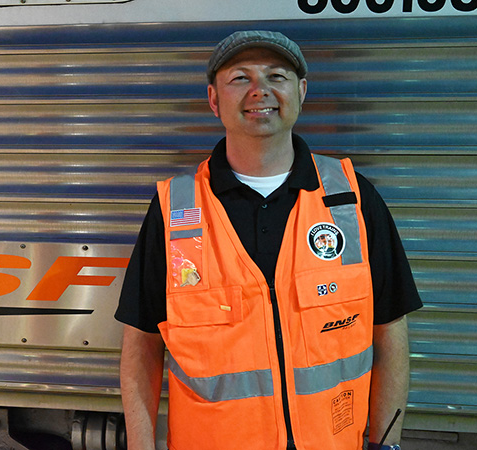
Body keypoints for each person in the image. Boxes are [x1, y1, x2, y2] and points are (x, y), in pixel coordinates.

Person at [115, 30, 422, 450]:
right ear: (213, 98)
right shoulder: (176, 209)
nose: (260, 91)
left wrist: (387, 443)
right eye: (240, 78)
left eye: (276, 76)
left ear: (301, 92)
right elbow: (142, 346)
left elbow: (390, 331)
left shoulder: (349, 198)